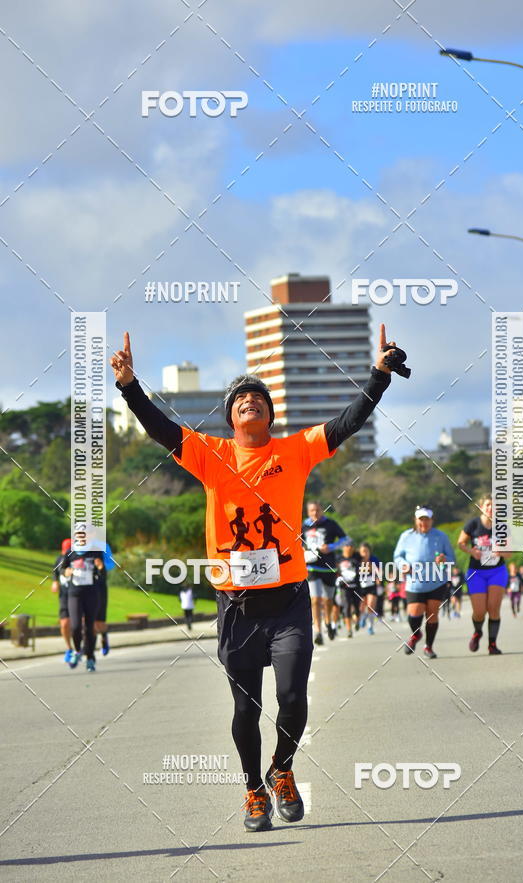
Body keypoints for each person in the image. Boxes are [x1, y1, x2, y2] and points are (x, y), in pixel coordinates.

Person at [111, 324, 402, 832]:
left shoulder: (295, 451)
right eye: (241, 399)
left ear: (270, 413)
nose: (250, 401)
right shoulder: (210, 454)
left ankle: (282, 770)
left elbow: (348, 421)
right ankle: (252, 789)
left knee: (292, 696)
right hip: (237, 605)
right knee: (246, 708)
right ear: (230, 416)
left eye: (258, 398)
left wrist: (378, 377)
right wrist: (130, 385)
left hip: (288, 599)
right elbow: (160, 427)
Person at [393, 506, 455, 659]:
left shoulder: (441, 536)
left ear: (432, 520)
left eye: (427, 519)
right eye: (421, 519)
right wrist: (403, 565)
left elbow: (452, 558)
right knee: (414, 614)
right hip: (415, 582)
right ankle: (416, 635)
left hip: (436, 582)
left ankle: (429, 647)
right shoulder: (406, 536)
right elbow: (397, 557)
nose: (424, 522)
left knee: (432, 614)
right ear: (415, 520)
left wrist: (444, 559)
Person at [457, 493, 509, 655]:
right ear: (481, 507)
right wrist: (471, 551)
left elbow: (510, 553)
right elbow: (461, 543)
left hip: (497, 571)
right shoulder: (473, 524)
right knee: (479, 612)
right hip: (476, 572)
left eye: (495, 505)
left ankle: (492, 644)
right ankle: (477, 632)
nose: (491, 508)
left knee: (494, 608)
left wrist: (501, 551)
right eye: (488, 505)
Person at [302, 501, 350, 644]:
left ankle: (328, 621)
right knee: (315, 599)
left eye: (317, 510)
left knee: (327, 600)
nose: (314, 513)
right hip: (311, 566)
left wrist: (331, 546)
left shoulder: (330, 524)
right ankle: (318, 630)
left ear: (322, 510)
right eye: (311, 511)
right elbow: (296, 541)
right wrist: (303, 549)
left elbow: (346, 539)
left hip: (328, 566)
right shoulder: (304, 526)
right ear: (308, 512)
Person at [61, 547, 103, 671]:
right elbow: (62, 569)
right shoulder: (70, 553)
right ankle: (78, 651)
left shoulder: (96, 552)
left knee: (89, 627)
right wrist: (66, 572)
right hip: (75, 594)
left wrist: (100, 567)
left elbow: (102, 573)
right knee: (75, 626)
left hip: (91, 594)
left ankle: (90, 657)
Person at [51, 538, 74, 663]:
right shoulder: (59, 559)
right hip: (64, 595)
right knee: (64, 623)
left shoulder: (77, 559)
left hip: (78, 595)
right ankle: (69, 648)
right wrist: (55, 582)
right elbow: (55, 571)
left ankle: (81, 647)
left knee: (79, 624)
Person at [335, 540, 362, 637]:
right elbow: (335, 571)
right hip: (344, 587)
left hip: (356, 586)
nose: (349, 547)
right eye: (347, 546)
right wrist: (338, 578)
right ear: (343, 547)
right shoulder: (338, 558)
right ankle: (349, 630)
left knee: (356, 607)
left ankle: (357, 620)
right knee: (346, 607)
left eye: (351, 546)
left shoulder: (357, 557)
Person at [94, 541, 115, 655]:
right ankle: (86, 645)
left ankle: (104, 637)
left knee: (99, 622)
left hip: (99, 587)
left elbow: (111, 564)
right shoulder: (78, 547)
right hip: (83, 588)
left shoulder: (102, 545)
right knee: (84, 619)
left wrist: (101, 565)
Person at [357, 542, 381, 635]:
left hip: (371, 584)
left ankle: (370, 626)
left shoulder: (374, 559)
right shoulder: (357, 560)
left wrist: (378, 579)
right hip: (360, 585)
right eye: (362, 551)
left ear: (369, 551)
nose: (364, 553)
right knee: (362, 606)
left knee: (371, 604)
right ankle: (363, 617)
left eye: (366, 551)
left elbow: (378, 571)